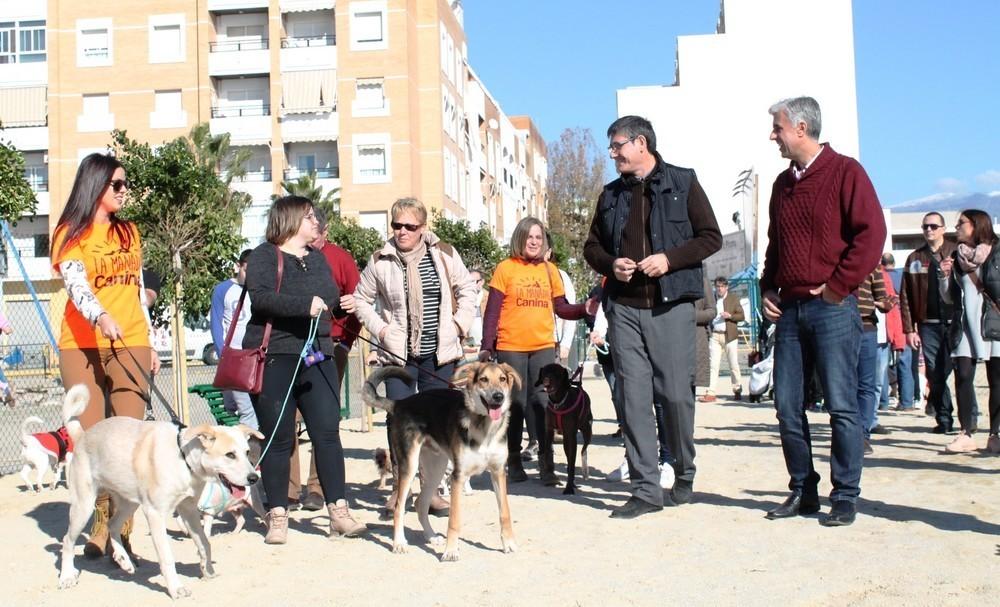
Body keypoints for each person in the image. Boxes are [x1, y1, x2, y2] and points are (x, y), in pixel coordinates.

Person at [583, 115, 721, 518]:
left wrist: (670, 259)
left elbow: (710, 236)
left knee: (675, 395)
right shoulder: (610, 195)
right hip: (624, 308)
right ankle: (645, 489)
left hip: (671, 305)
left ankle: (683, 469)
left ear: (641, 143)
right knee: (633, 399)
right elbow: (592, 247)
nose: (613, 154)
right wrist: (611, 265)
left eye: (618, 145)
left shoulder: (683, 181)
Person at [760, 96, 886, 527]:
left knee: (842, 405)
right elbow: (776, 245)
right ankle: (803, 489)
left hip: (832, 308)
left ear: (800, 128)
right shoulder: (782, 185)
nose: (772, 136)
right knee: (786, 405)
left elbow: (871, 235)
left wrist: (838, 287)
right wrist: (766, 287)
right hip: (790, 309)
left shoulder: (846, 172)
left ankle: (845, 494)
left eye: (777, 128)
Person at [50, 152, 159, 557]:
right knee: (93, 440)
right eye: (117, 184)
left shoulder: (129, 232)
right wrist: (100, 316)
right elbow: (77, 286)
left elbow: (137, 290)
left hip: (130, 340)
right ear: (95, 185)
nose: (124, 191)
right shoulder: (69, 233)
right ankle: (100, 525)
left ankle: (122, 530)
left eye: (125, 184)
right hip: (81, 343)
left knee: (129, 440)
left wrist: (151, 341)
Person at [243, 195, 365, 544]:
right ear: (292, 220)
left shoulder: (318, 258)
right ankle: (278, 515)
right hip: (276, 355)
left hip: (318, 355)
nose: (316, 223)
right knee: (279, 437)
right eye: (309, 217)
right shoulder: (265, 255)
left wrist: (342, 306)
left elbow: (325, 300)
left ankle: (338, 511)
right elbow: (261, 298)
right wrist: (303, 306)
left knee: (328, 433)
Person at [346, 197, 477, 512]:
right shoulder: (380, 259)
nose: (402, 231)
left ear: (422, 227)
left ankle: (430, 489)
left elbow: (468, 290)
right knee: (398, 419)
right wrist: (381, 330)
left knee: (437, 422)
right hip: (398, 356)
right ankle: (398, 487)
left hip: (439, 354)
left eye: (410, 226)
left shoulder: (444, 253)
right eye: (397, 225)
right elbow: (361, 299)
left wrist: (459, 325)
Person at [480, 216, 596, 485]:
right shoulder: (505, 268)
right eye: (530, 237)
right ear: (520, 238)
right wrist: (487, 345)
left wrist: (583, 308)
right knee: (515, 405)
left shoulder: (550, 270)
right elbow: (492, 311)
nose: (534, 242)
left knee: (544, 404)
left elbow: (561, 308)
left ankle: (547, 463)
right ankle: (514, 460)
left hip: (543, 345)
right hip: (511, 346)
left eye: (539, 237)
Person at [291, 207, 362, 512]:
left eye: (316, 232)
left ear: (325, 231)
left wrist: (345, 342)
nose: (312, 238)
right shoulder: (288, 255)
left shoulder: (340, 258)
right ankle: (288, 489)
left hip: (330, 346)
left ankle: (317, 488)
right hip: (292, 346)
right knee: (289, 418)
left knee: (323, 418)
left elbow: (358, 301)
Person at [941, 210, 1000, 453]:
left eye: (961, 223)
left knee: (996, 379)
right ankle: (966, 433)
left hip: (993, 321)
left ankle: (995, 434)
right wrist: (944, 276)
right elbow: (948, 298)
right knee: (963, 376)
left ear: (976, 225)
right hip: (965, 323)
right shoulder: (957, 256)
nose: (956, 227)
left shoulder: (997, 251)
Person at [899, 212, 957, 433]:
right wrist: (909, 329)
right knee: (934, 370)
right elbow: (905, 295)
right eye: (925, 227)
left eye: (933, 226)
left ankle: (967, 418)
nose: (929, 230)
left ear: (943, 228)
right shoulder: (915, 258)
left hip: (956, 321)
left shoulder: (956, 252)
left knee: (959, 371)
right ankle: (944, 418)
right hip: (928, 323)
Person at [209, 248, 257, 429]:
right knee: (241, 408)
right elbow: (216, 324)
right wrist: (223, 354)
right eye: (246, 270)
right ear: (238, 266)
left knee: (248, 407)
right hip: (234, 357)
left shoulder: (259, 290)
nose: (250, 276)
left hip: (254, 356)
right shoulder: (223, 290)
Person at [856, 269, 890, 456]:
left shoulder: (872, 264)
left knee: (866, 385)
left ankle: (862, 436)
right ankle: (846, 433)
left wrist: (885, 304)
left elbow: (883, 299)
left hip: (866, 327)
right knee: (842, 385)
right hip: (837, 326)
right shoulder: (831, 257)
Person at [700, 276, 745, 402]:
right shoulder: (712, 299)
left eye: (722, 286)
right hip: (715, 335)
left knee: (733, 364)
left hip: (729, 336)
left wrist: (730, 316)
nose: (719, 289)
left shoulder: (733, 299)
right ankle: (711, 392)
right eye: (717, 286)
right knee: (713, 365)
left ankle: (737, 389)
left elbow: (741, 316)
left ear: (727, 287)